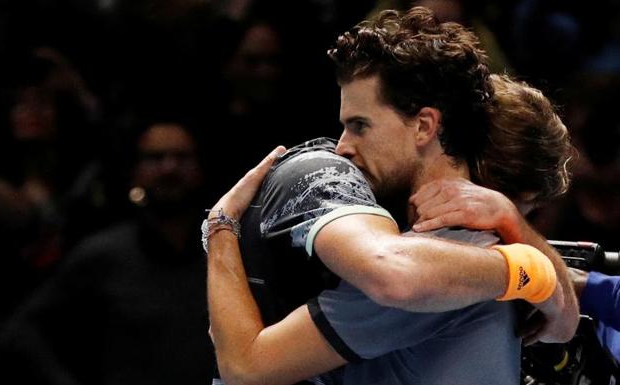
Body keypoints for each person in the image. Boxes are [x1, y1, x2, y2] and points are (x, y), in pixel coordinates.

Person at [205, 7, 578, 385]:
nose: (342, 149)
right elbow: (563, 321)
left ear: (424, 126)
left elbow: (245, 367)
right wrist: (526, 253)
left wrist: (220, 226)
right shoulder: (472, 246)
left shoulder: (439, 265)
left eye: (359, 126)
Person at [0, 121, 215, 385]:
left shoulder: (224, 255)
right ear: (135, 172)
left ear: (200, 169)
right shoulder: (104, 255)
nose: (169, 168)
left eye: (181, 157)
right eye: (155, 158)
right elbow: (22, 331)